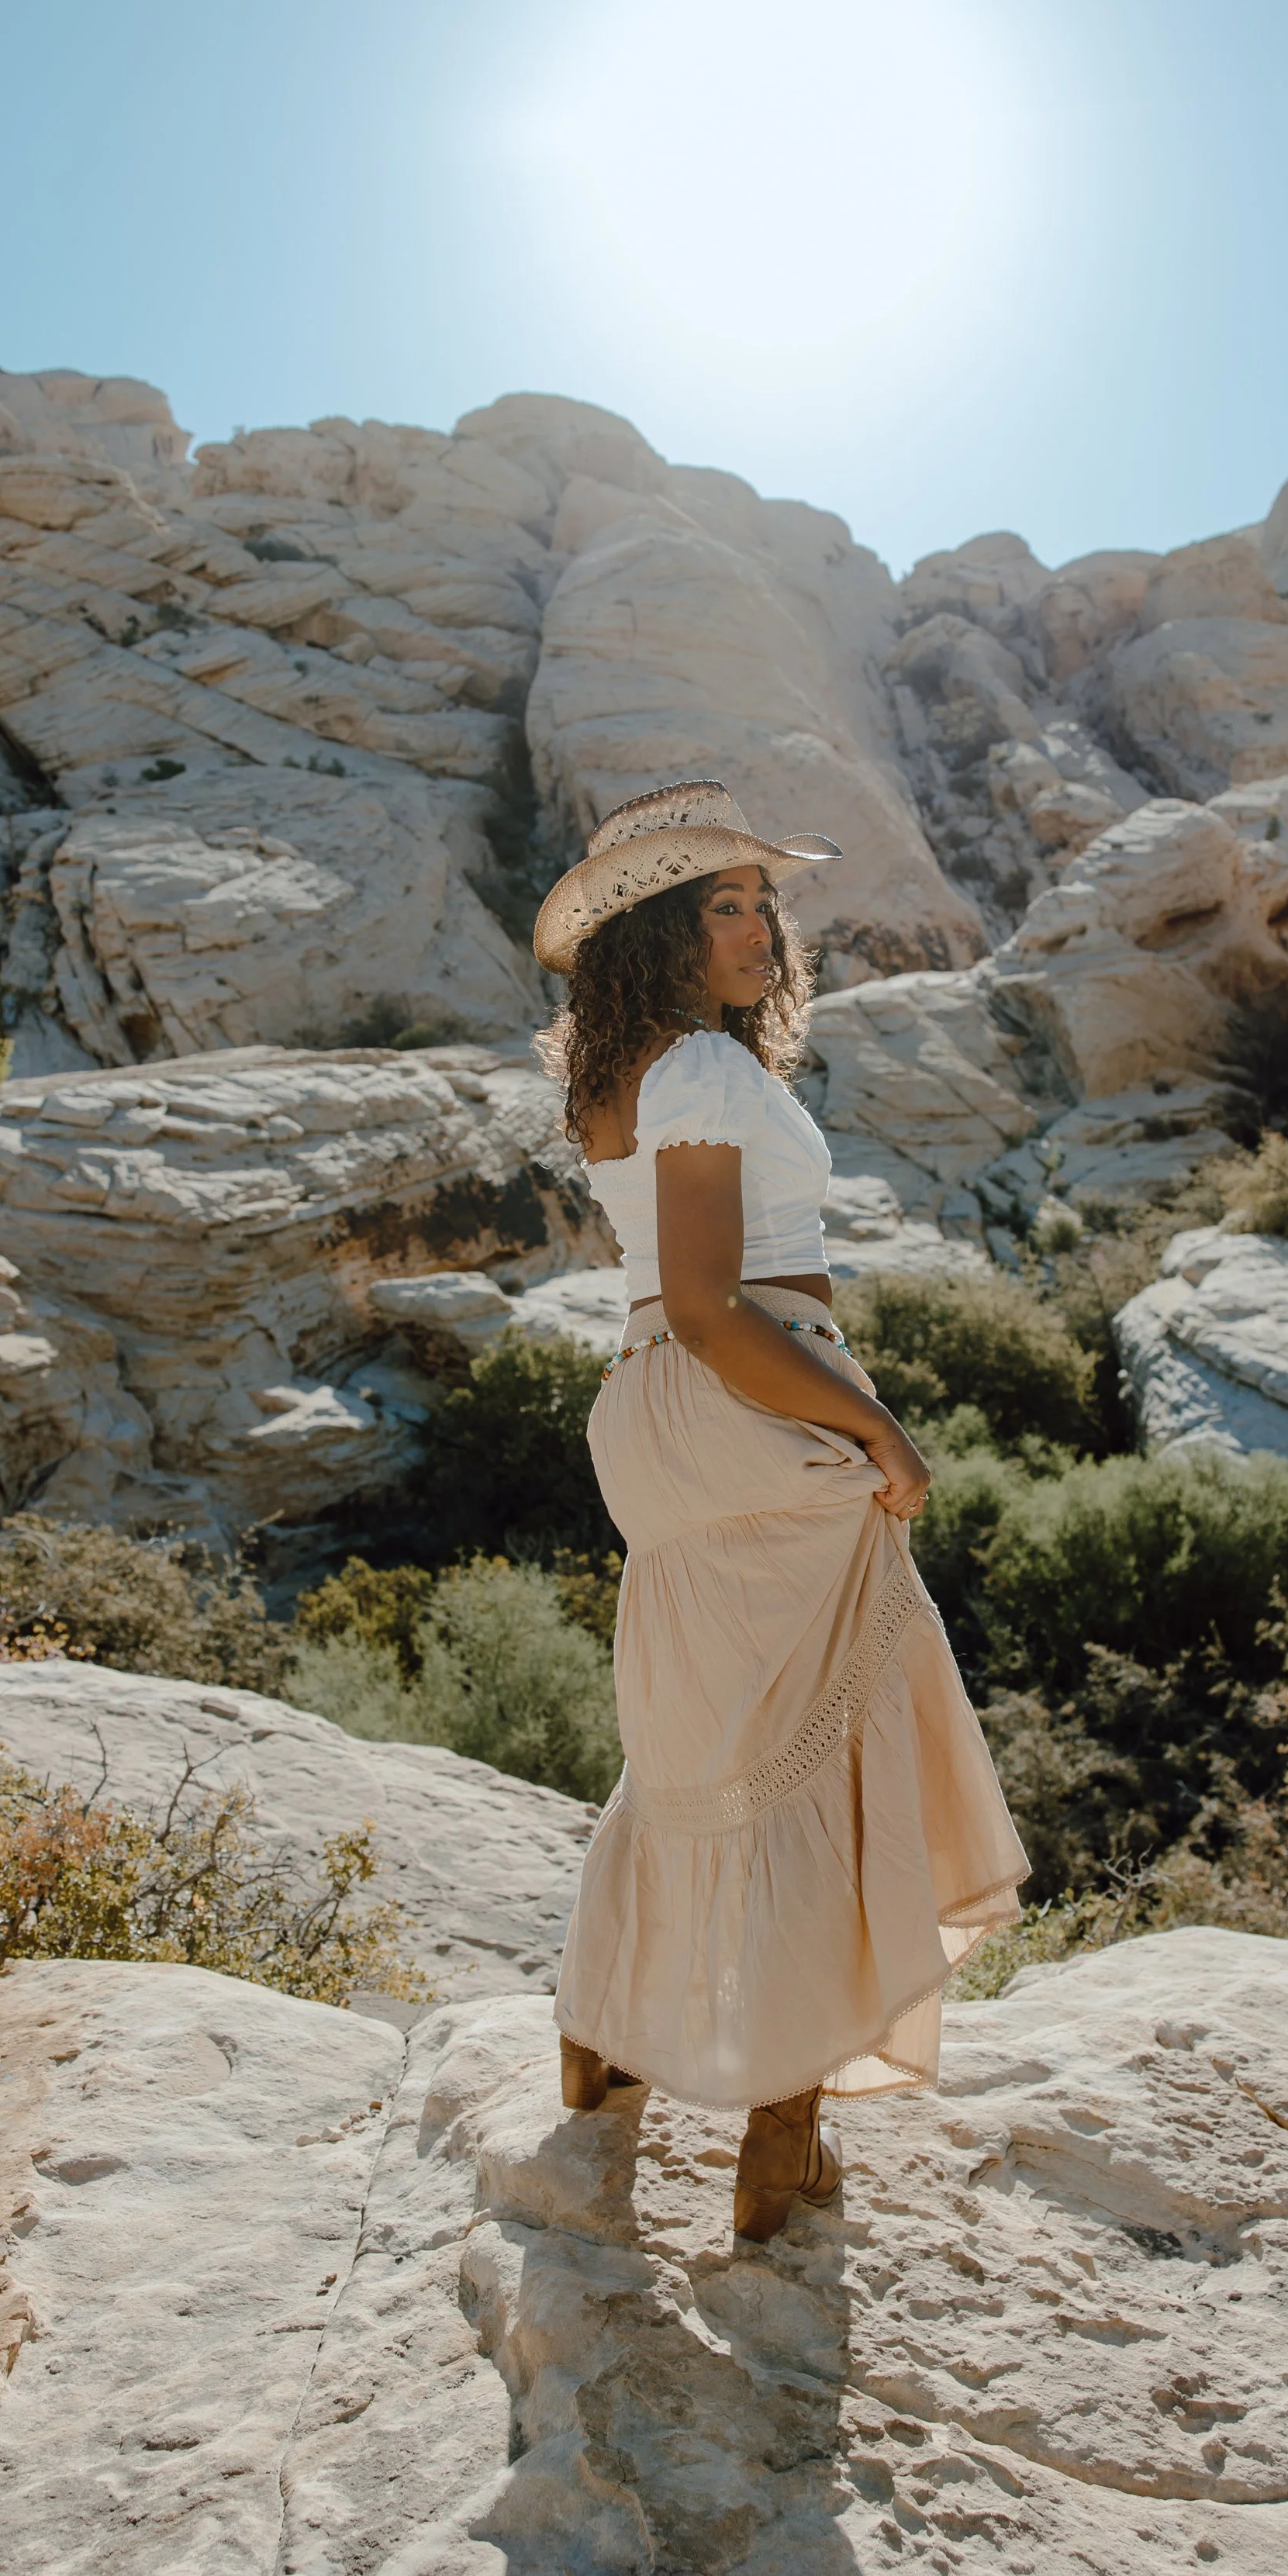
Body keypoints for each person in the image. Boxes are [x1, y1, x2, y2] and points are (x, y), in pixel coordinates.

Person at [534, 781, 1029, 2243]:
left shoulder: (624, 1075)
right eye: (726, 904)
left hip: (654, 1414)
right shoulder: (699, 1067)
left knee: (700, 1736)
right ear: (659, 931)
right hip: (748, 1392)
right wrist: (873, 1423)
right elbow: (709, 1305)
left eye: (765, 901)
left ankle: (602, 2033)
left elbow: (668, 1305)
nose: (761, 928)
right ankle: (783, 2132)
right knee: (833, 1744)